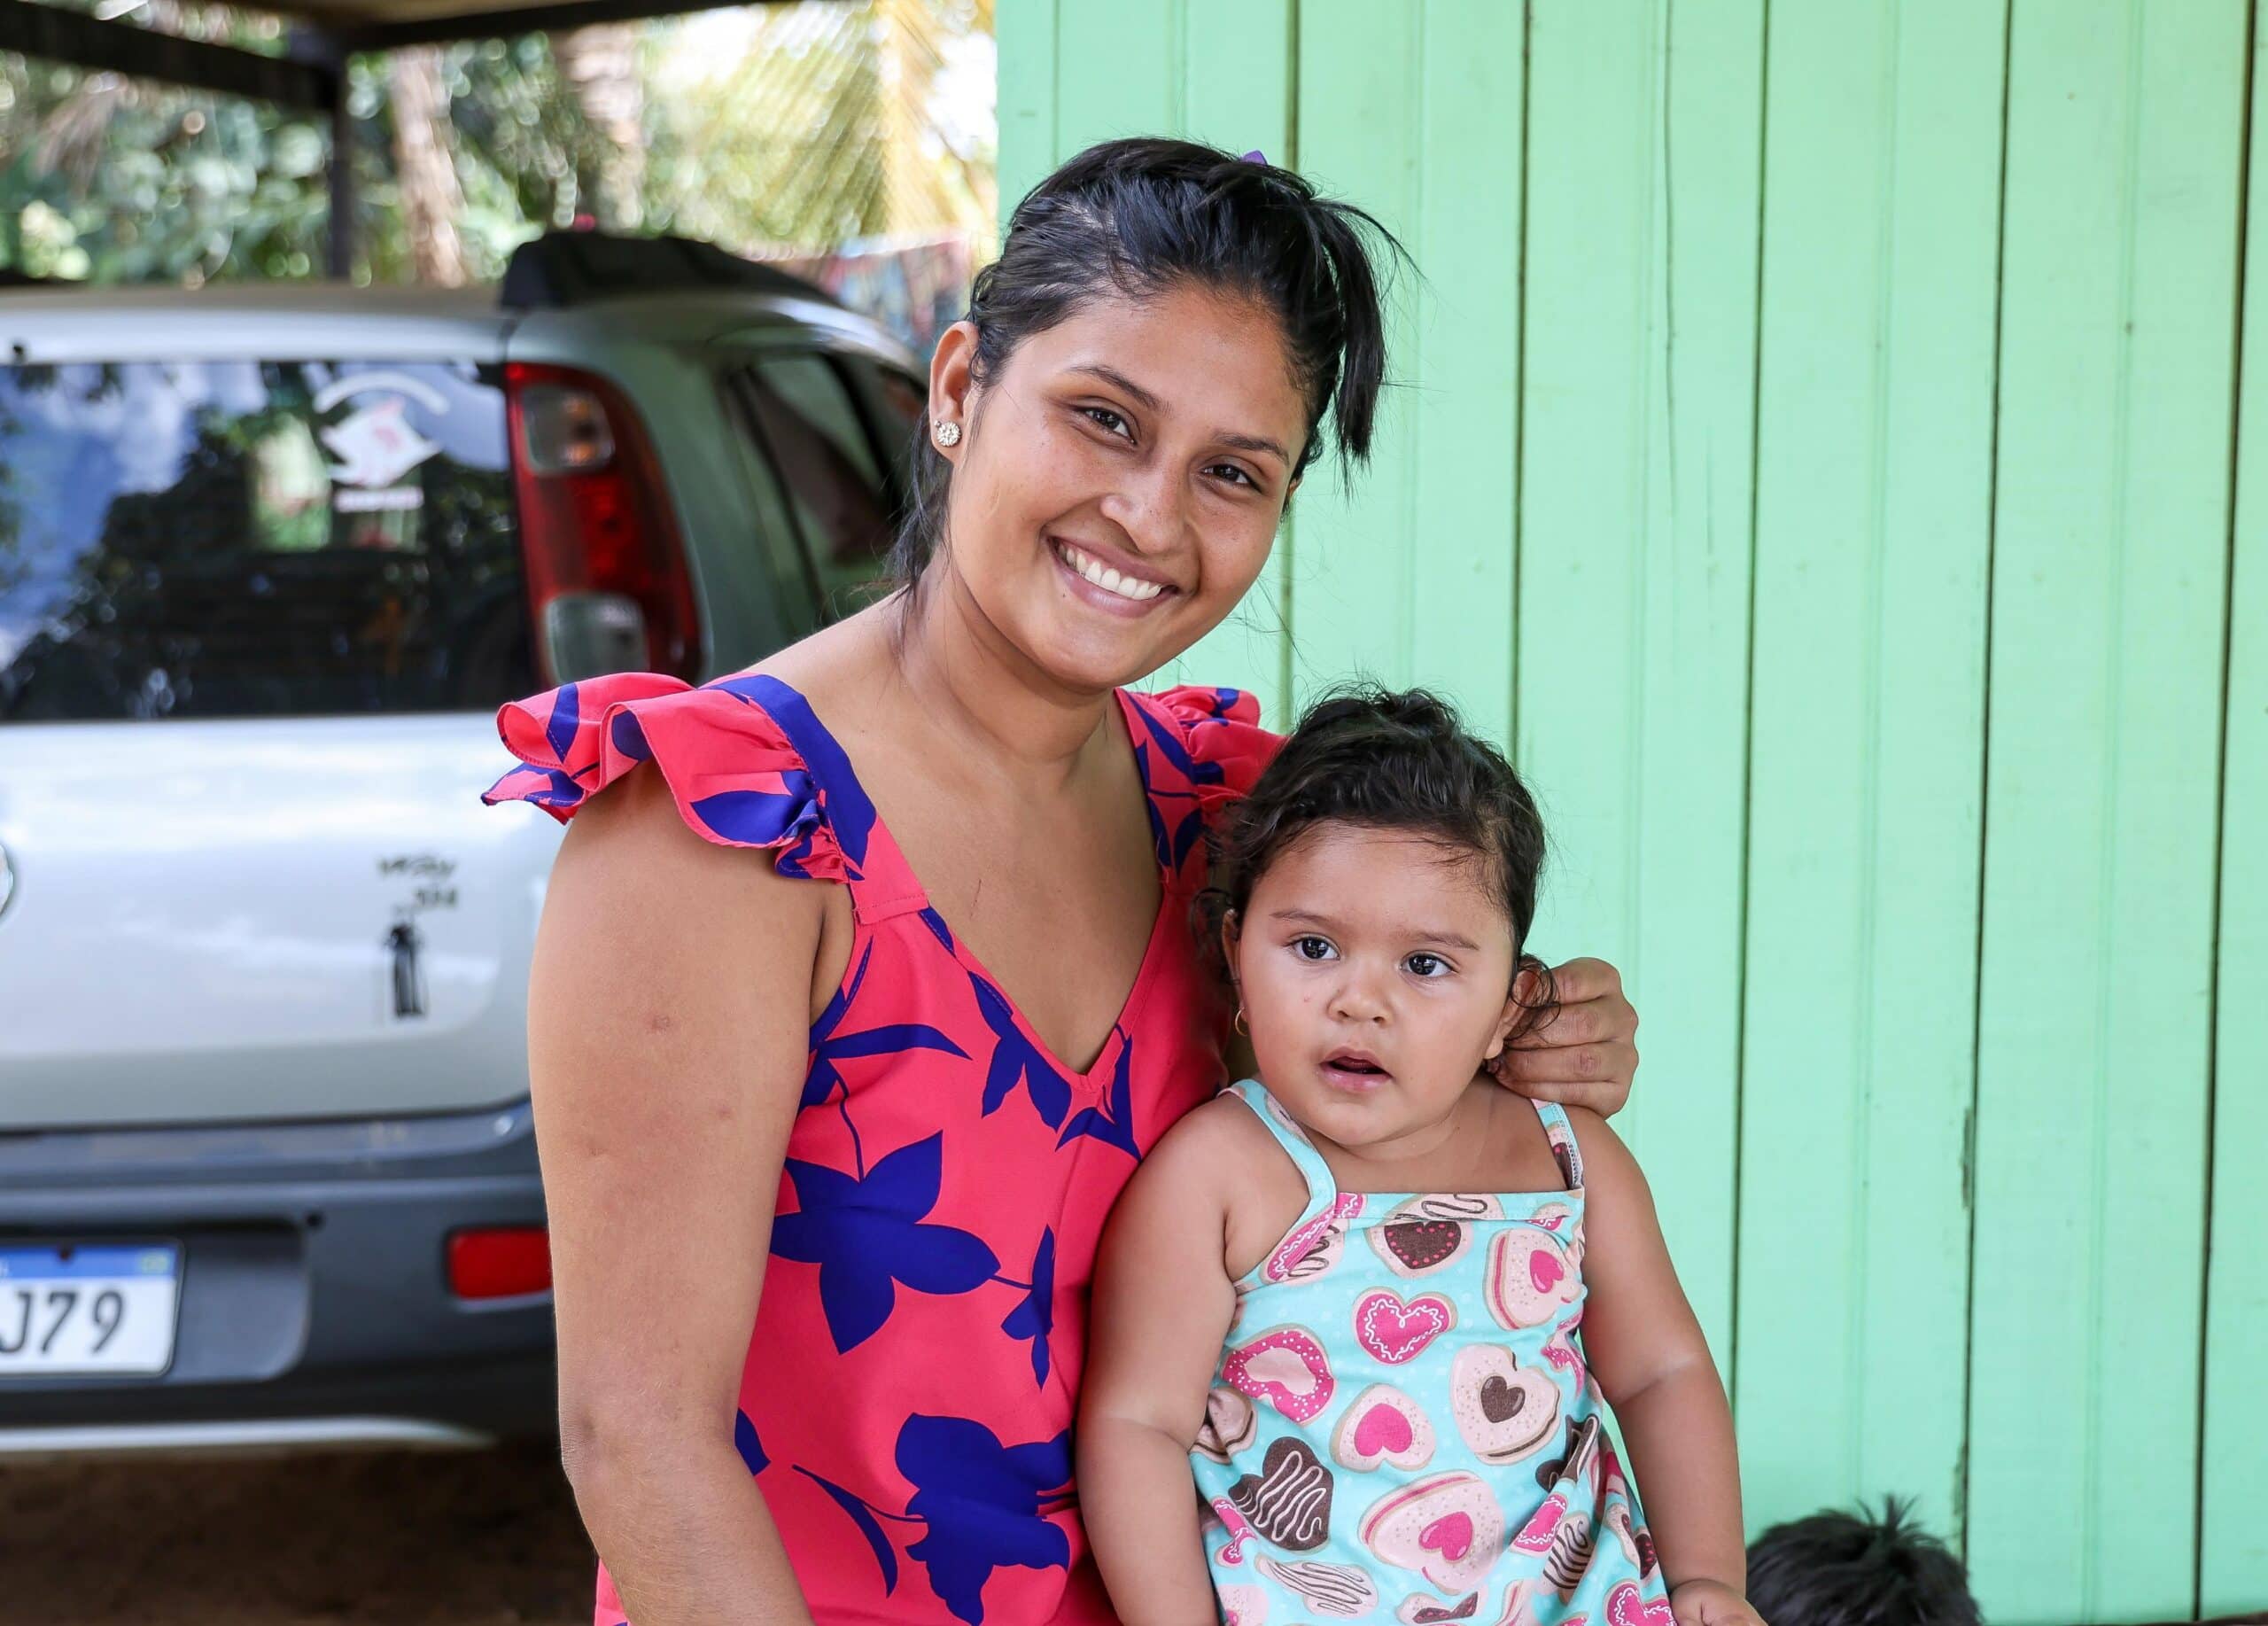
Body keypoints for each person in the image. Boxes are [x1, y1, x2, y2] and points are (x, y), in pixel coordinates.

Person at [483, 138, 1642, 1626]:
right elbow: (640, 1440)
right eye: (1104, 419)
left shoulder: (1228, 826)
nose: (1152, 517)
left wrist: (1528, 1041)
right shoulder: (728, 830)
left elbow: (1377, 1179)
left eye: (1232, 473)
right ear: (961, 388)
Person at [1077, 688, 1751, 1626]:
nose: (1361, 1000)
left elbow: (1660, 1370)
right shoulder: (1221, 1174)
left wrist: (1710, 1578)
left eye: (1425, 964)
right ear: (1236, 955)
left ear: (1510, 1007)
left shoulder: (1568, 1158)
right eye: (1313, 946)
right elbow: (1138, 1423)